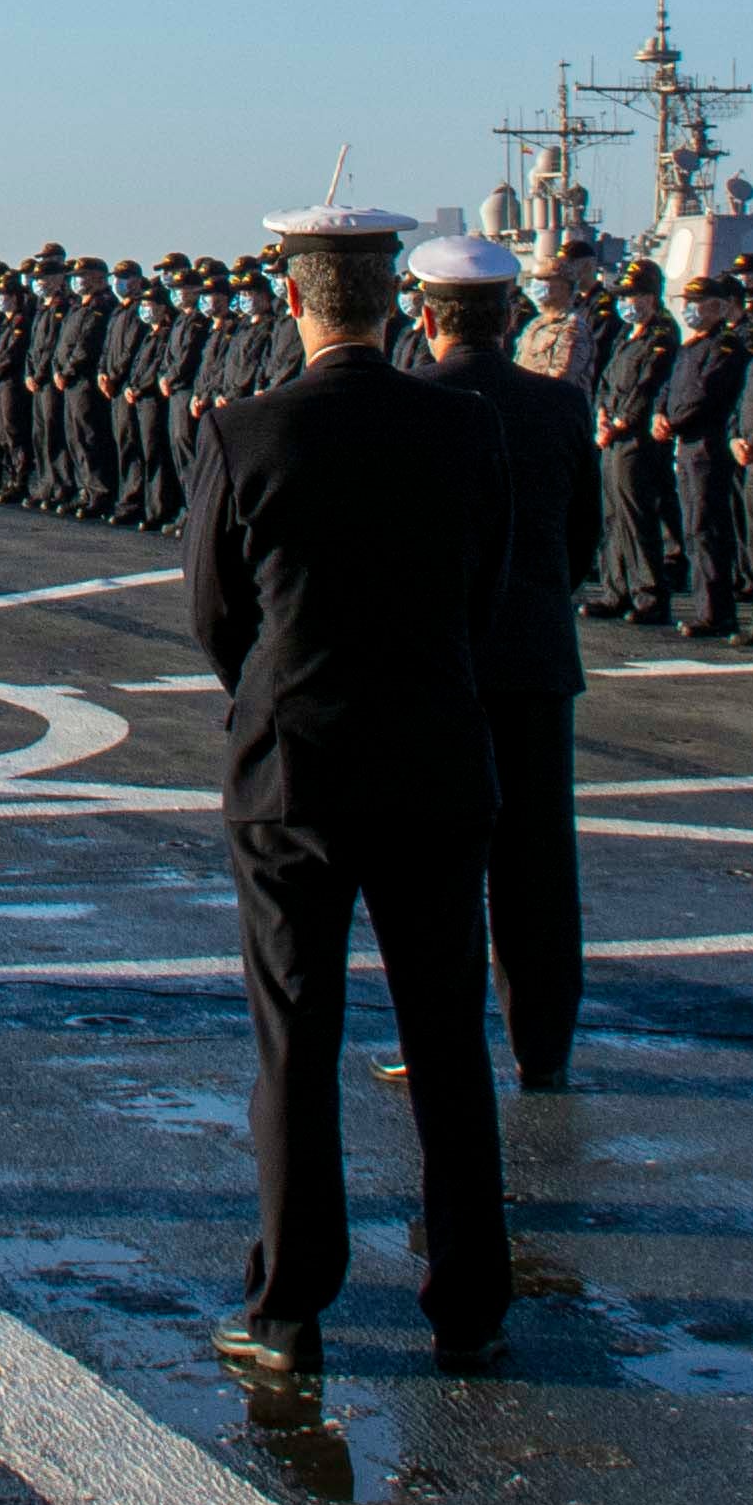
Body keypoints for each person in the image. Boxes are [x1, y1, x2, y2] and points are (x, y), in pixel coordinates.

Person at [189, 196, 512, 1384]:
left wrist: (278, 689)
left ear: (292, 300)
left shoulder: (246, 431)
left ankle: (289, 1307)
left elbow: (217, 618)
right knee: (447, 1041)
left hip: (297, 771)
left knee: (297, 1042)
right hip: (435, 758)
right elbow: (487, 590)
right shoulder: (465, 429)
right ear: (394, 305)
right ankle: (472, 1303)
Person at [423, 237, 602, 1089]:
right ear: (509, 318)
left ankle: (438, 1042)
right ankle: (545, 1046)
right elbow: (582, 545)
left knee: (434, 866)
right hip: (534, 660)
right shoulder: (561, 408)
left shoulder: (408, 402)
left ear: (426, 318)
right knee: (537, 865)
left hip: (434, 666)